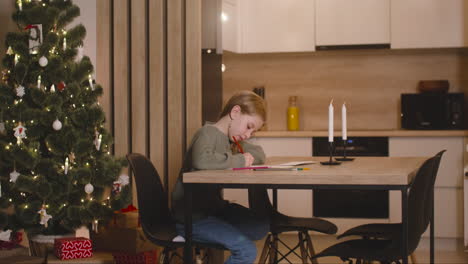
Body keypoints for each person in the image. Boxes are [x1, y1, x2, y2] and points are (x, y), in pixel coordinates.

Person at [171, 91, 269, 264]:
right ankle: (227, 237)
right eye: (249, 126)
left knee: (260, 226)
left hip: (215, 211)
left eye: (253, 132)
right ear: (235, 112)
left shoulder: (230, 141)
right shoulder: (207, 133)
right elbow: (202, 160)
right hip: (193, 217)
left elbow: (259, 153)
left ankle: (225, 233)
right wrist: (240, 159)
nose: (248, 135)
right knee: (246, 251)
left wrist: (244, 154)